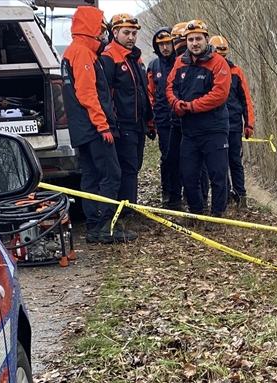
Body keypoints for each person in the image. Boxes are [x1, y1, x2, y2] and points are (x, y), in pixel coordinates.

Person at [61, 5, 136, 244]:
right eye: (101, 29)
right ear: (91, 28)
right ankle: (108, 226)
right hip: (94, 128)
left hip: (81, 129)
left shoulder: (72, 52)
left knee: (90, 177)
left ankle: (94, 226)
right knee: (111, 175)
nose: (103, 34)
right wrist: (102, 125)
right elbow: (87, 94)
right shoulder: (82, 52)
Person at [166, 20, 231, 227]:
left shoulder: (218, 63)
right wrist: (176, 103)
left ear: (206, 39)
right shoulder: (180, 62)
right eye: (190, 39)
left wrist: (192, 106)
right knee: (189, 174)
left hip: (214, 129)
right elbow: (170, 87)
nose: (194, 43)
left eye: (198, 39)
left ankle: (217, 215)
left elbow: (219, 94)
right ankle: (196, 211)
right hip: (189, 131)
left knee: (218, 174)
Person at [100, 14, 152, 207]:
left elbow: (143, 91)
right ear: (115, 33)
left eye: (134, 33)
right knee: (128, 168)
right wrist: (112, 122)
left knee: (135, 166)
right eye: (126, 33)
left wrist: (149, 120)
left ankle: (129, 206)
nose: (131, 37)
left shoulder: (135, 57)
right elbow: (105, 93)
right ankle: (128, 210)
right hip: (122, 123)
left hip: (139, 123)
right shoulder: (108, 57)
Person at [209, 36, 255, 207]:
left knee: (235, 161)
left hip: (234, 124)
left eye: (224, 55)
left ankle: (241, 197)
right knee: (218, 164)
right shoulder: (207, 70)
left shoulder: (236, 71)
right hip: (215, 125)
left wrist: (249, 124)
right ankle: (225, 195)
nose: (222, 58)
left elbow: (246, 99)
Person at [147, 27, 183, 209]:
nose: (165, 48)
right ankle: (168, 192)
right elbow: (150, 95)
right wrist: (151, 122)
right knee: (167, 157)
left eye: (168, 43)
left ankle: (185, 192)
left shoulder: (181, 62)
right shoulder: (153, 66)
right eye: (161, 44)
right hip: (162, 120)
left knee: (185, 157)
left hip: (181, 118)